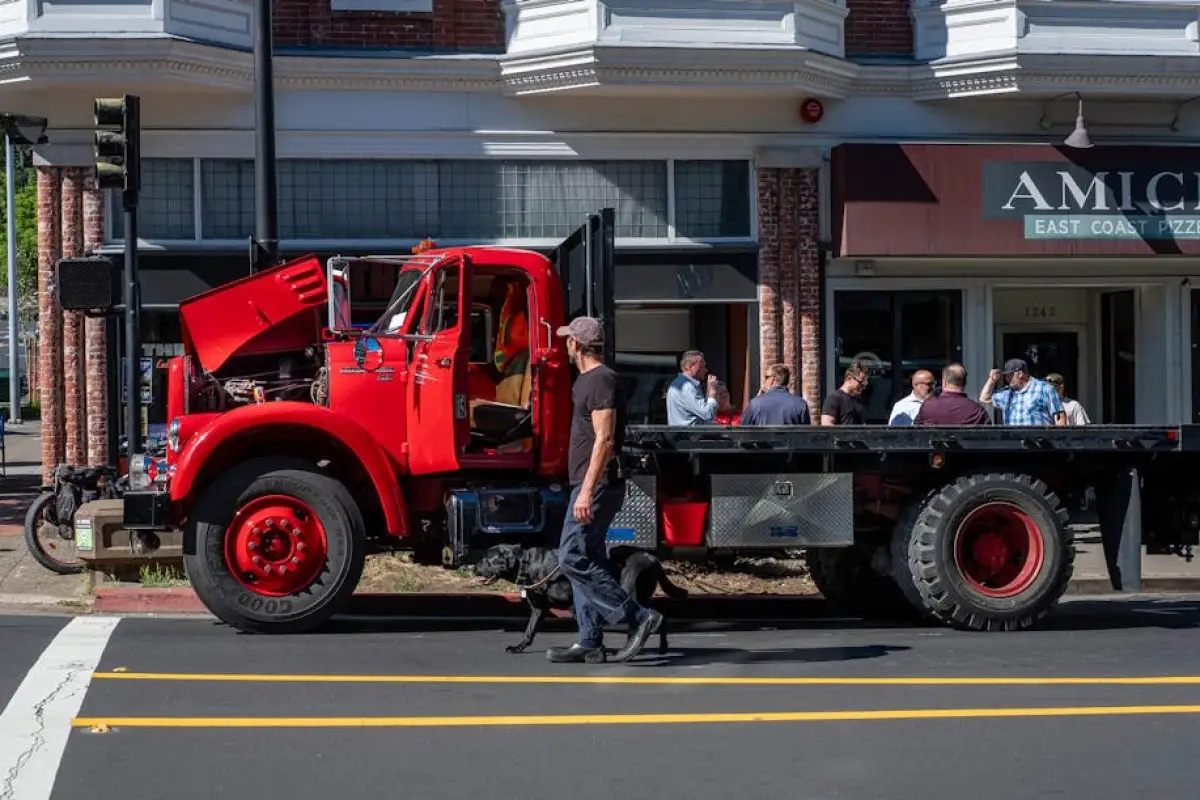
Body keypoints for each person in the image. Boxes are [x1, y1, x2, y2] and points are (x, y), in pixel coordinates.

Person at [548, 316, 662, 664]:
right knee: (588, 556)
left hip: (596, 485)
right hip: (587, 483)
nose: (565, 344)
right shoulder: (586, 381)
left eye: (569, 339)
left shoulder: (600, 381)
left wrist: (586, 491)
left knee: (571, 556)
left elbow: (605, 439)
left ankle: (639, 617)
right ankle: (589, 640)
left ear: (578, 345)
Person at [980, 358, 1066, 426]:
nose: (1006, 379)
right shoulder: (1006, 394)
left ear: (1020, 374)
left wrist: (1058, 442)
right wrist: (992, 380)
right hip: (1013, 444)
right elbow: (984, 398)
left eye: (1009, 375)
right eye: (1005, 376)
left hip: (1039, 445)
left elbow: (1060, 417)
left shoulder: (1045, 389)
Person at [914, 363, 990, 426]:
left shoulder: (927, 406)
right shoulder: (977, 411)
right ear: (965, 383)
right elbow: (991, 438)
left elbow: (914, 433)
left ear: (944, 382)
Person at [740, 364, 811, 426]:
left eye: (766, 377)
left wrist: (757, 399)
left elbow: (743, 429)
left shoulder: (755, 404)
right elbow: (806, 435)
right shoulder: (800, 404)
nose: (764, 381)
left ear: (772, 380)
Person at [666, 350, 719, 426]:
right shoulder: (686, 387)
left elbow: (703, 409)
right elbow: (707, 414)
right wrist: (712, 393)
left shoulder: (682, 383)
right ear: (690, 367)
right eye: (702, 366)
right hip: (690, 436)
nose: (705, 370)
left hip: (688, 434)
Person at [820, 361, 868, 426]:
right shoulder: (834, 398)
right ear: (849, 379)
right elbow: (826, 425)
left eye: (864, 383)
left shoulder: (858, 399)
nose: (862, 386)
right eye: (860, 382)